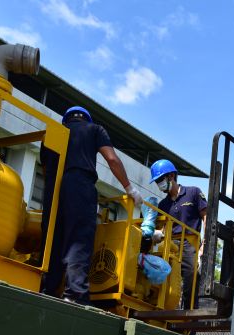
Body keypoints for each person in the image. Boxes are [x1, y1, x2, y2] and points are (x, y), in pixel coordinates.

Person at [40, 105, 142, 304]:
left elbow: (45, 166)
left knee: (52, 237)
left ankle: (48, 289)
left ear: (66, 119)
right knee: (78, 238)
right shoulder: (94, 129)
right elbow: (112, 159)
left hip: (53, 187)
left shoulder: (53, 132)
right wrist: (129, 188)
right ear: (86, 118)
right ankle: (75, 294)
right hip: (79, 184)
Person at [150, 159, 207, 309]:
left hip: (190, 243)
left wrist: (205, 246)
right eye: (157, 182)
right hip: (170, 244)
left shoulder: (193, 192)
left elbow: (206, 218)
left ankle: (189, 323)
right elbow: (162, 228)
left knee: (191, 280)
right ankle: (166, 313)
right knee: (166, 282)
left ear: (171, 176)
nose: (159, 184)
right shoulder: (163, 205)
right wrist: (157, 234)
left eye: (160, 180)